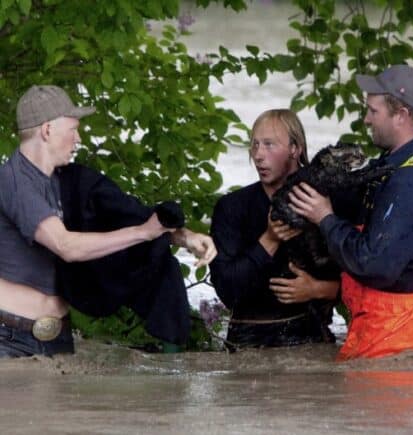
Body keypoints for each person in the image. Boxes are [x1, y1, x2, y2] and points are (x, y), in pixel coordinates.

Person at [0, 85, 216, 358]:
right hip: (8, 338)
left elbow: (125, 214)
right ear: (47, 130)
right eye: (73, 130)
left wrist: (184, 236)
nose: (78, 139)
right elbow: (66, 245)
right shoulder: (13, 181)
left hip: (58, 337)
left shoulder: (69, 181)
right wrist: (142, 233)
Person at [289, 65, 413, 360]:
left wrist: (324, 217)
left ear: (401, 115)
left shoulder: (411, 182)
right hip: (394, 333)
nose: (366, 119)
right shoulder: (400, 163)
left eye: (373, 111)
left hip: (396, 343)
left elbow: (374, 264)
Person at [209, 109, 342, 348]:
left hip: (310, 335)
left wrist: (318, 289)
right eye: (255, 145)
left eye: (269, 145)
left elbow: (369, 276)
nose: (258, 155)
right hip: (247, 339)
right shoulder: (232, 207)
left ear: (295, 148)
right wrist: (269, 240)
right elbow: (227, 291)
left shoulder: (326, 203)